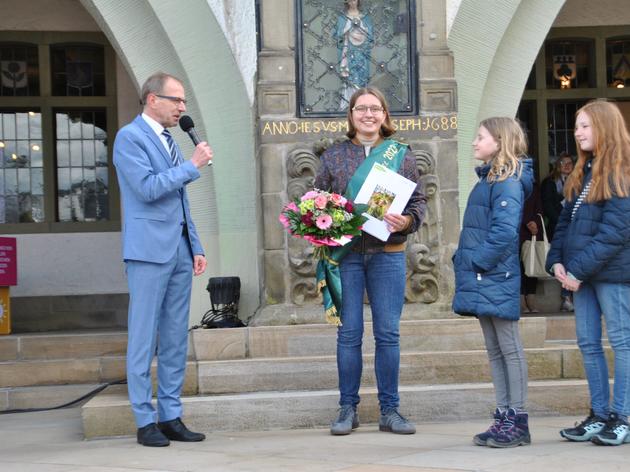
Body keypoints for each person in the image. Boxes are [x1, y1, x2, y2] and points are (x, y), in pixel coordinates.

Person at [314, 86, 426, 436]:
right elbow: (317, 201)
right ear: (351, 115)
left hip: (388, 255)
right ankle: (347, 409)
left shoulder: (402, 155)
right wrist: (325, 222)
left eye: (375, 109)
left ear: (384, 115)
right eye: (361, 109)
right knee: (349, 334)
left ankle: (390, 410)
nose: (368, 115)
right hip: (347, 257)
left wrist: (406, 221)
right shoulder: (332, 157)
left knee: (387, 334)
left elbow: (418, 203)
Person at [113, 72, 213, 447]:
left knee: (174, 337)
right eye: (177, 100)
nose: (183, 108)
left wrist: (196, 245)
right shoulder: (130, 138)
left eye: (183, 102)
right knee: (143, 337)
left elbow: (181, 200)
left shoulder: (169, 140)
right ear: (152, 99)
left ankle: (171, 415)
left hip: (179, 250)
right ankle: (144, 419)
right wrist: (192, 166)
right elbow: (148, 188)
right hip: (147, 251)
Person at [547, 99, 630, 446]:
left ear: (604, 127)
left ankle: (622, 416)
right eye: (577, 126)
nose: (577, 132)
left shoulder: (621, 170)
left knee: (622, 343)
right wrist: (556, 262)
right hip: (580, 276)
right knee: (587, 344)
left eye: (584, 126)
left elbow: (616, 231)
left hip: (611, 276)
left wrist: (576, 270)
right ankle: (598, 415)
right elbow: (565, 222)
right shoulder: (584, 171)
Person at [452, 117, 533, 448]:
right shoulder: (489, 180)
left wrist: (477, 262)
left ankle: (518, 419)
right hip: (483, 275)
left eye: (481, 137)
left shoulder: (507, 181)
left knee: (509, 347)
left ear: (499, 141)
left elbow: (503, 231)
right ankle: (503, 415)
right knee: (495, 349)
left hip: (495, 274)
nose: (474, 142)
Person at [541, 152, 575, 311]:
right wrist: (561, 221)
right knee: (562, 261)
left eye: (570, 163)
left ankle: (570, 296)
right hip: (557, 228)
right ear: (557, 165)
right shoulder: (549, 183)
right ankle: (566, 297)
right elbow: (547, 206)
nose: (568, 166)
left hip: (575, 229)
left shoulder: (579, 182)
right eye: (564, 163)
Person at [335, 0, 373, 109]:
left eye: (355, 0)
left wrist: (362, 31)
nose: (353, 2)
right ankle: (349, 102)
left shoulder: (365, 17)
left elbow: (370, 35)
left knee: (361, 74)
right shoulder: (342, 18)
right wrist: (347, 29)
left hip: (361, 52)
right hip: (348, 51)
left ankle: (362, 103)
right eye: (350, 0)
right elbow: (338, 35)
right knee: (349, 75)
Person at [519, 182, 543, 313]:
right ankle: (521, 299)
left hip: (533, 231)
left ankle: (531, 298)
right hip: (518, 231)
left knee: (533, 263)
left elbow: (539, 208)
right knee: (519, 266)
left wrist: (536, 222)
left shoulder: (534, 186)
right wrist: (527, 221)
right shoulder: (512, 183)